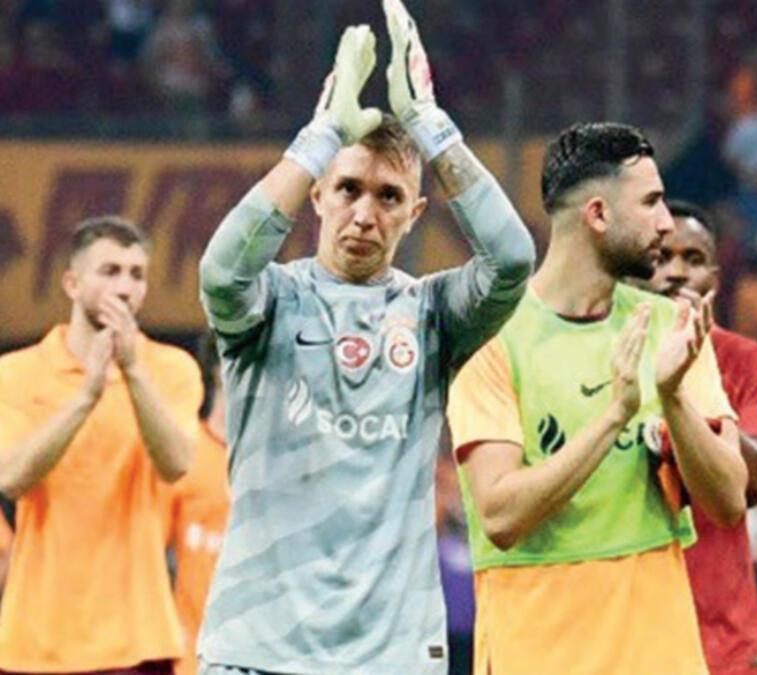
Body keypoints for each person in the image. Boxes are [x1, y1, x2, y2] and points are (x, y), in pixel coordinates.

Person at [194, 1, 535, 672]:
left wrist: (432, 127)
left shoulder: (433, 313)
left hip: (391, 653)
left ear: (416, 212)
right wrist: (318, 136)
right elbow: (221, 270)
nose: (364, 212)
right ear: (317, 195)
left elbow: (512, 260)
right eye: (347, 188)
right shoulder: (271, 301)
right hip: (259, 649)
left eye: (388, 195)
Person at [447, 121, 746, 675]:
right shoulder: (490, 339)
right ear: (598, 215)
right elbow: (500, 514)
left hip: (661, 655)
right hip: (538, 654)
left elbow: (729, 500)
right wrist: (615, 416)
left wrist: (672, 396)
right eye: (651, 202)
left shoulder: (673, 328)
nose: (666, 222)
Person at [0, 216, 203, 674]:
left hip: (136, 636)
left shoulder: (171, 369)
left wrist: (132, 371)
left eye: (136, 275)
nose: (125, 287)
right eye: (110, 271)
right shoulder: (16, 373)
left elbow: (176, 464)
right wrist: (86, 396)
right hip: (37, 637)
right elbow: (10, 479)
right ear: (72, 283)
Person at [643, 200, 757, 674]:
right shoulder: (608, 357)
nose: (676, 272)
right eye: (661, 257)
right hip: (632, 628)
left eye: (693, 258)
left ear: (715, 277)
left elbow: (755, 482)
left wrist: (683, 392)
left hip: (723, 640)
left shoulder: (754, 364)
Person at [166, 335, 229, 675]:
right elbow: (144, 553)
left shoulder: (289, 462)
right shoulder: (185, 454)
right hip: (195, 661)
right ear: (220, 369)